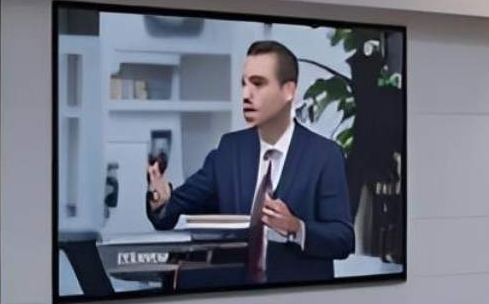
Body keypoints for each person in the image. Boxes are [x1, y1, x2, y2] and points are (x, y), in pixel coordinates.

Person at [143, 37, 354, 288]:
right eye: (243, 84)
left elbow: (343, 239)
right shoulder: (230, 150)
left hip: (299, 301)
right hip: (233, 302)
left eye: (258, 84)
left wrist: (297, 227)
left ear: (288, 91)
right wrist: (160, 198)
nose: (246, 94)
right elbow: (169, 214)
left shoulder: (325, 155)